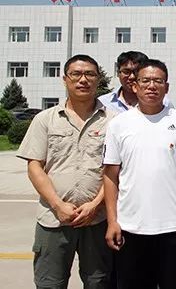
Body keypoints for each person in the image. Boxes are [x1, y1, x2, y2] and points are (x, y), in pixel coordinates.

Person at [17, 54, 115, 288]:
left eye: (90, 74)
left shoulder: (114, 121)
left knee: (99, 282)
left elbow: (115, 170)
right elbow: (35, 166)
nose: (83, 80)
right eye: (76, 74)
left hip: (98, 219)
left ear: (98, 79)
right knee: (50, 282)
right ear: (65, 79)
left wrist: (95, 204)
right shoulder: (45, 119)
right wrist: (58, 205)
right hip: (53, 219)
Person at [103, 59, 176, 289]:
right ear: (135, 85)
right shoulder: (119, 124)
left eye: (158, 81)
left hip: (172, 227)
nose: (152, 86)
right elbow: (110, 175)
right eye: (145, 80)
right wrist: (113, 221)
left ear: (167, 87)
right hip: (130, 226)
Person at [99, 50, 172, 112]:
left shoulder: (164, 103)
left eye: (136, 72)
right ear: (118, 73)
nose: (132, 77)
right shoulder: (103, 102)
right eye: (126, 72)